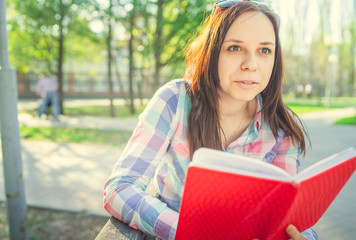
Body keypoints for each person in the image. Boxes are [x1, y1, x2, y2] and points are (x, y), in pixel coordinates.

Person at [103, 1, 318, 240]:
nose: (251, 65)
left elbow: (286, 217)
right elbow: (121, 188)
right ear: (212, 50)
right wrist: (187, 231)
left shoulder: (281, 129)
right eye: (235, 48)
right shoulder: (174, 101)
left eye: (264, 50)